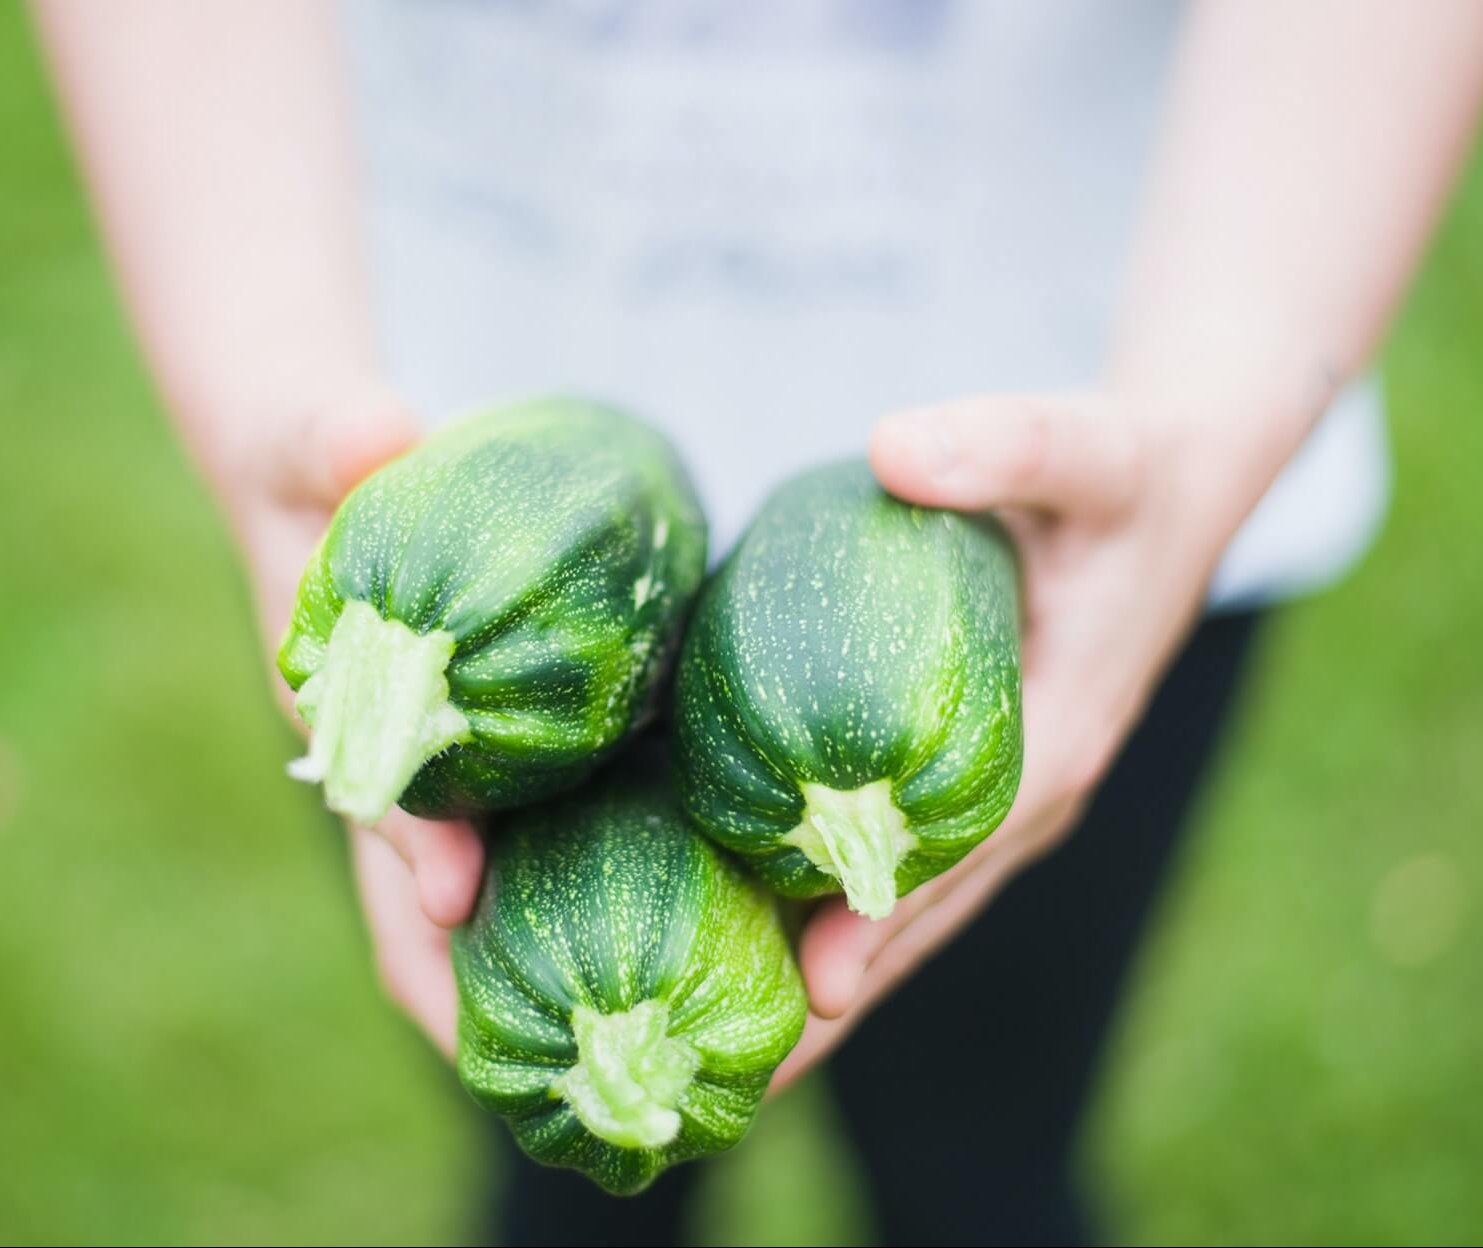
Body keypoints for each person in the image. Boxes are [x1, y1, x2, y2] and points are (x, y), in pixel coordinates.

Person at [32, 2, 1483, 1243]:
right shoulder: (407, 599)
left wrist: (1212, 423)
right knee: (567, 1173)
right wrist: (261, 382)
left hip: (1107, 456)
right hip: (449, 438)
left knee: (983, 1148)